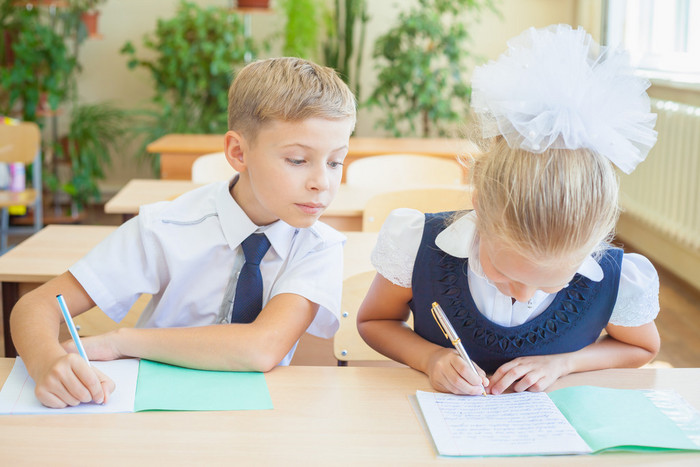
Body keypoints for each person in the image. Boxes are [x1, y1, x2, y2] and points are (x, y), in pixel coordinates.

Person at [10, 57, 356, 408]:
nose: (321, 183)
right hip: (149, 409)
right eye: (298, 160)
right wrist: (46, 363)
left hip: (255, 419)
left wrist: (120, 341)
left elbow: (262, 347)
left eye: (335, 162)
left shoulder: (319, 246)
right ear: (238, 152)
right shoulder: (167, 225)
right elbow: (35, 306)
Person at [357, 24, 661, 396]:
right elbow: (374, 321)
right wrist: (429, 359)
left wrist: (565, 364)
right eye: (502, 272)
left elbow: (642, 347)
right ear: (480, 206)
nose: (522, 294)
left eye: (552, 284)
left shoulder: (617, 277)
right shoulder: (418, 246)